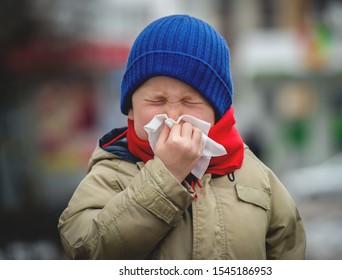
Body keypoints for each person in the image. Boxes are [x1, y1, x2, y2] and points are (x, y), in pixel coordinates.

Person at [58, 14, 306, 260]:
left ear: (217, 112)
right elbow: (85, 250)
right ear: (131, 109)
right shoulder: (111, 173)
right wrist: (165, 176)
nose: (173, 115)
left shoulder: (257, 178)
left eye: (189, 101)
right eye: (158, 100)